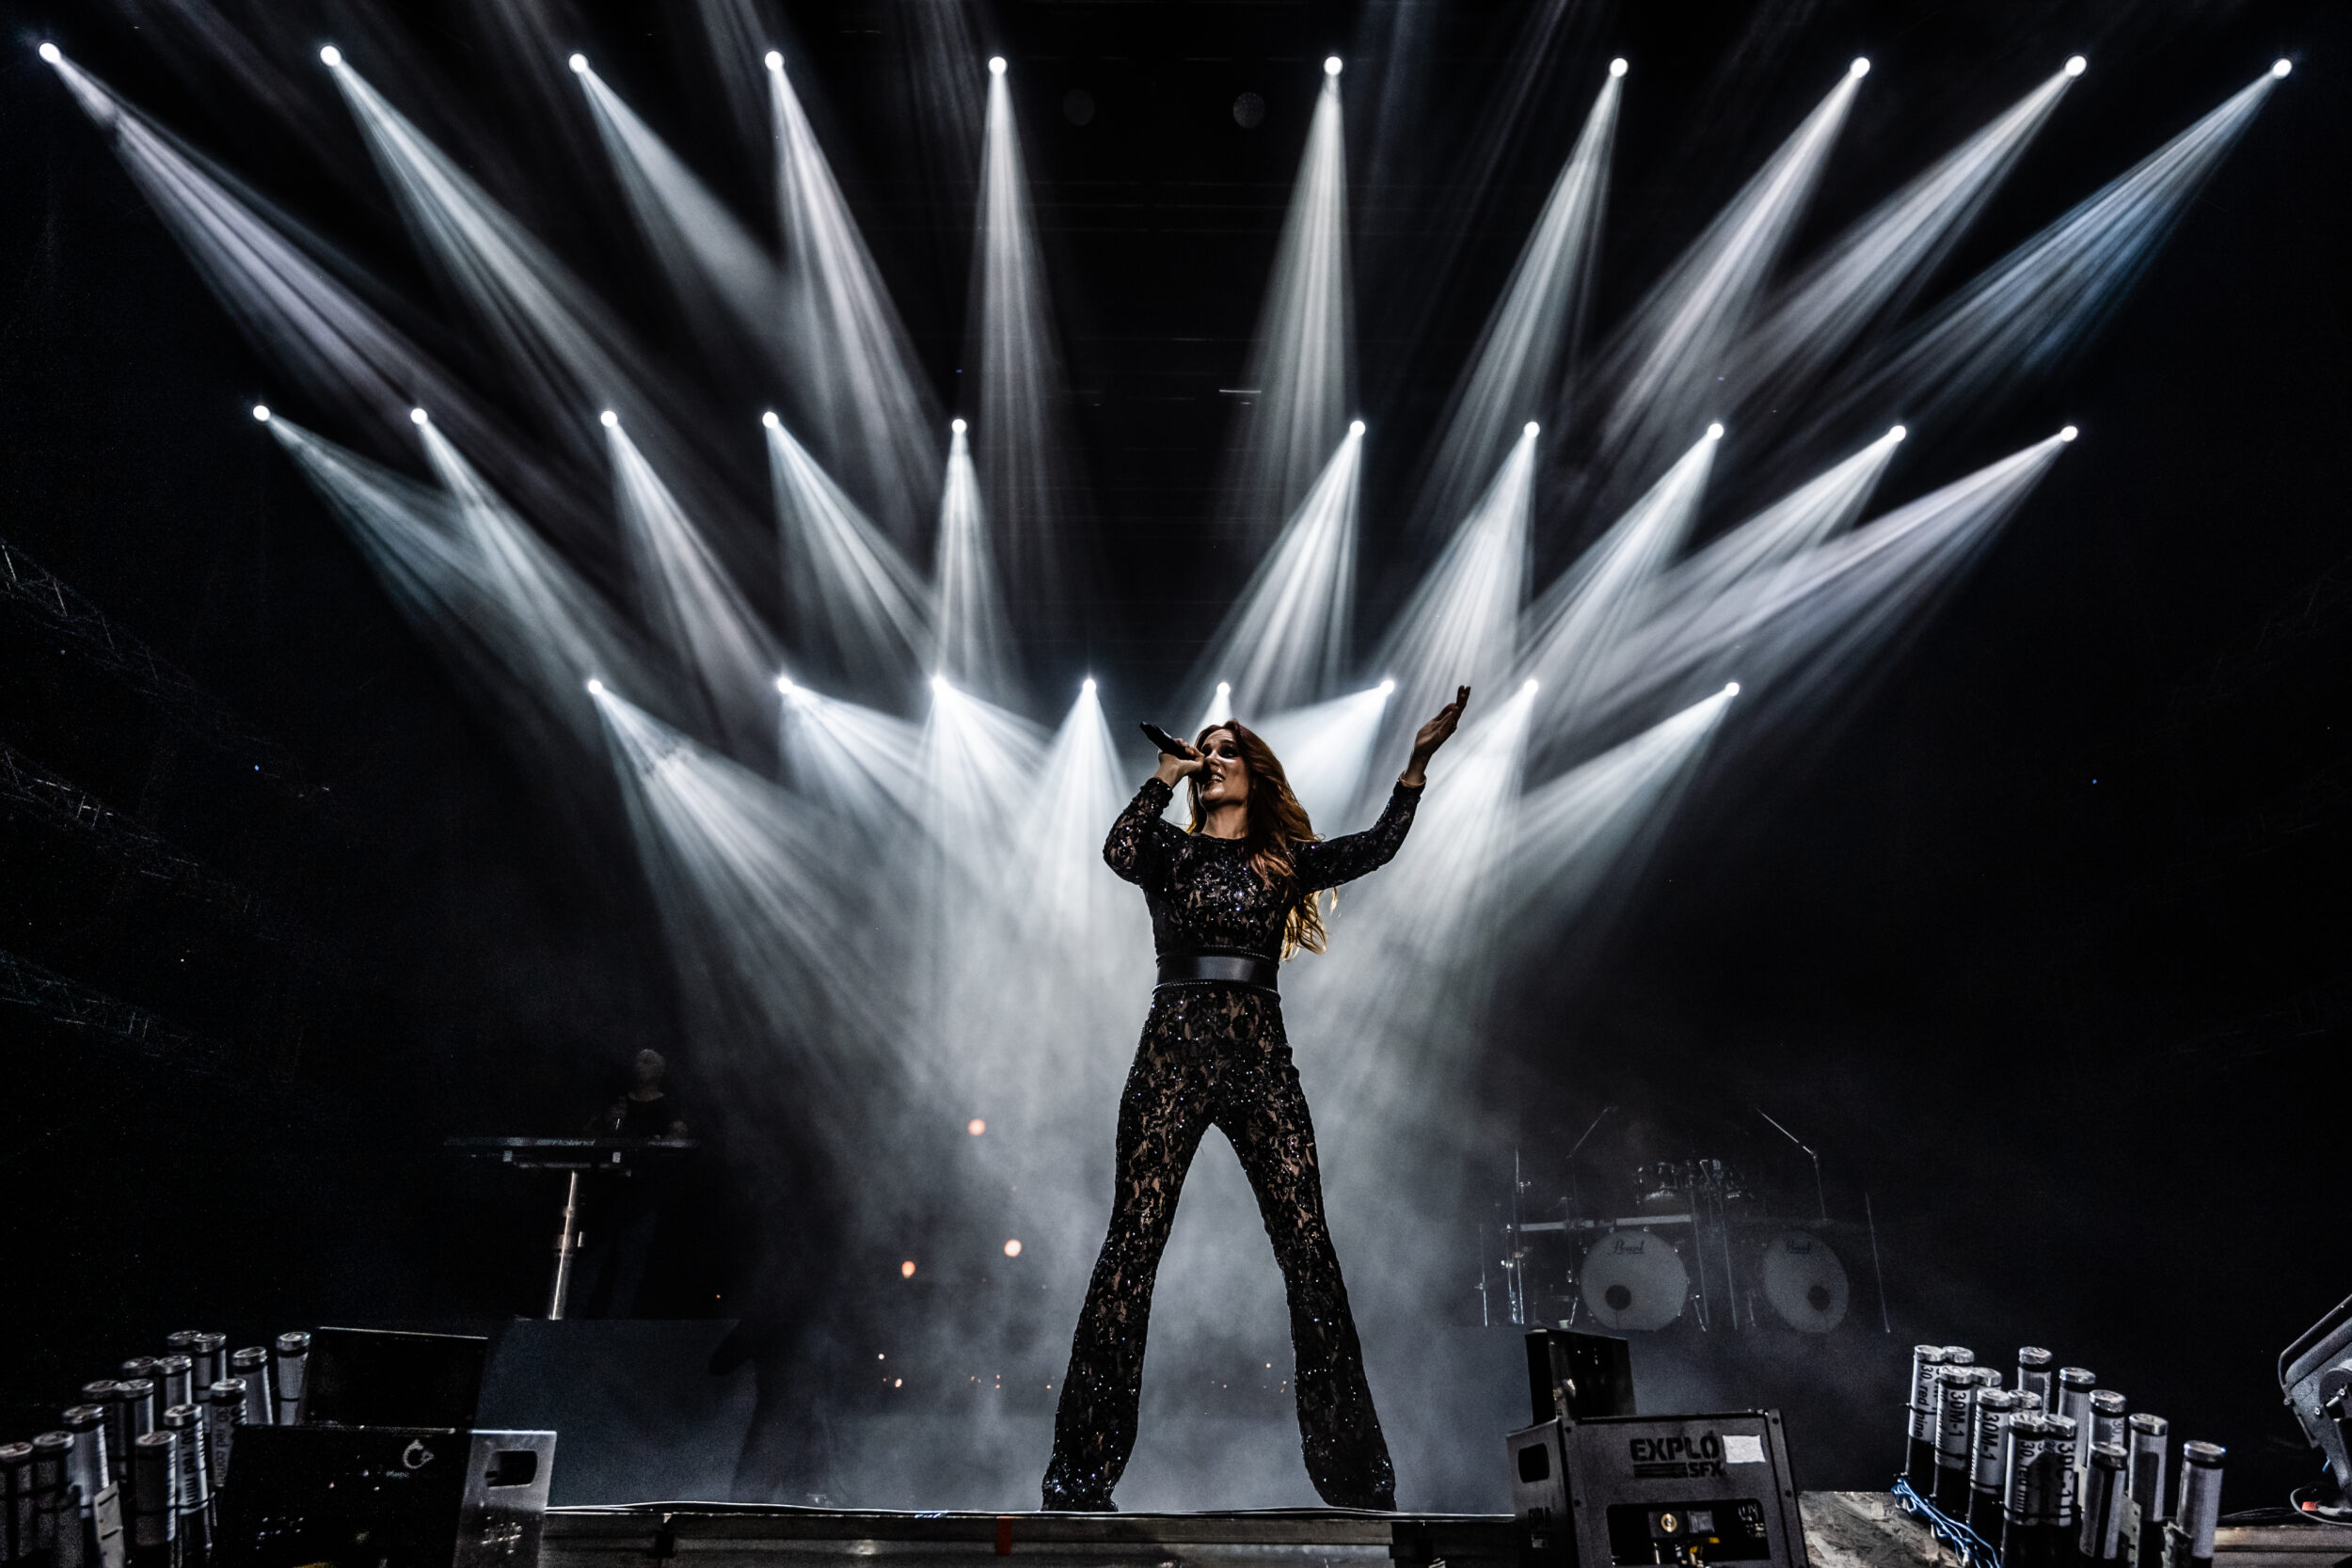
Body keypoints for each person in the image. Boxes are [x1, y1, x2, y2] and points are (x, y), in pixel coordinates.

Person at [1041, 687, 1471, 1512]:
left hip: (1261, 1063)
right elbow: (1118, 849)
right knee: (1132, 1247)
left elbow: (1379, 845)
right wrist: (1163, 774)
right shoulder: (1169, 850)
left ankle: (1355, 1476)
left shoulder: (1283, 859)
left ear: (1255, 772)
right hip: (1171, 1057)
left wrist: (1416, 764)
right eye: (1204, 750)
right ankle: (1081, 1474)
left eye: (1225, 749)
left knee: (1308, 1251)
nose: (1212, 759)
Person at [575, 1049, 689, 1317]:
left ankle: (616, 1324)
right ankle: (570, 1321)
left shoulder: (667, 1106)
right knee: (590, 1260)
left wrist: (666, 1141)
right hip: (607, 1193)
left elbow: (680, 1134)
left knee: (630, 1266)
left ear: (660, 1071)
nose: (641, 1065)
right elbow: (586, 1134)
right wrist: (607, 1122)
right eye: (638, 1060)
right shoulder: (618, 1102)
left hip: (641, 1197)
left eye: (648, 1061)